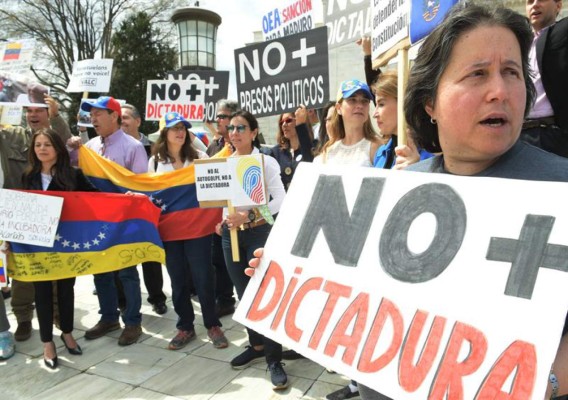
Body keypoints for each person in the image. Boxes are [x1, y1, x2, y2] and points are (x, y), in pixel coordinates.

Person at [67, 96, 147, 346]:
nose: (93, 118)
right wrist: (71, 150)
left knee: (127, 273)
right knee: (100, 272)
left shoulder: (133, 147)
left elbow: (143, 185)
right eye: (91, 114)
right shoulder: (88, 147)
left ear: (114, 116)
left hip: (124, 221)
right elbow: (74, 176)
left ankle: (133, 322)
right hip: (97, 221)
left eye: (98, 114)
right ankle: (109, 317)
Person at [219, 110, 288, 390]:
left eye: (241, 127)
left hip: (259, 232)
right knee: (244, 294)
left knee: (263, 295)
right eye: (231, 128)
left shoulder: (265, 162)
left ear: (254, 132)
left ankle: (275, 359)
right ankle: (256, 345)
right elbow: (222, 201)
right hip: (230, 236)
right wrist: (222, 219)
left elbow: (280, 201)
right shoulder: (223, 162)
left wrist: (249, 216)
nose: (234, 132)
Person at [149, 111, 228, 351]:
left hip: (197, 229)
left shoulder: (201, 157)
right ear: (165, 133)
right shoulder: (154, 163)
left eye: (183, 127)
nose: (180, 132)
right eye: (174, 128)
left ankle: (212, 324)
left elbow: (215, 191)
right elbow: (148, 194)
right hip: (170, 231)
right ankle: (185, 326)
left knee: (204, 278)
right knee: (178, 280)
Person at [21, 128, 97, 368]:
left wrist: (126, 198)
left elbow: (98, 200)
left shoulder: (74, 175)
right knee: (41, 293)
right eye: (38, 145)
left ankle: (66, 332)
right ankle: (47, 342)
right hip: (37, 245)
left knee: (66, 290)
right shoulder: (28, 176)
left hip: (66, 244)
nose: (42, 149)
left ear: (57, 148)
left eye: (47, 144)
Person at [0, 87, 71, 343]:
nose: (32, 114)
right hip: (20, 213)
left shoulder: (55, 132)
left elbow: (64, 145)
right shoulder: (12, 136)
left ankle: (57, 315)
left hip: (51, 213)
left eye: (38, 110)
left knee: (52, 265)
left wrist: (57, 118)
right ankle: (23, 319)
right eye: (28, 110)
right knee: (22, 272)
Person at [121, 103, 168, 316]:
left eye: (125, 118)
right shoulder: (107, 147)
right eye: (118, 118)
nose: (121, 123)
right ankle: (126, 304)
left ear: (138, 121)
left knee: (150, 258)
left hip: (148, 209)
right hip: (122, 210)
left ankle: (157, 298)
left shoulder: (154, 147)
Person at [520, 0, 568, 157]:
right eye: (529, 2)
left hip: (550, 135)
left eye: (541, 0)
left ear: (558, 6)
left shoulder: (562, 33)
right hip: (517, 137)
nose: (534, 5)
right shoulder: (520, 45)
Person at [205, 99, 238, 318]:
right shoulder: (214, 147)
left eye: (223, 116)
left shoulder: (245, 145)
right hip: (219, 216)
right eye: (218, 116)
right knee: (219, 260)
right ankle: (225, 300)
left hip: (246, 216)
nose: (218, 120)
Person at [372, 70, 432, 170]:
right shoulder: (380, 154)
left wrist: (417, 170)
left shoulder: (430, 159)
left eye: (381, 104)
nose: (374, 114)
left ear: (403, 103)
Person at [314, 79, 380, 167]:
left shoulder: (376, 147)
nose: (360, 106)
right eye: (352, 100)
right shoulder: (329, 151)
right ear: (338, 108)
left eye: (364, 101)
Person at [262, 105, 315, 190]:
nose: (284, 125)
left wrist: (301, 126)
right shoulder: (276, 152)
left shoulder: (314, 146)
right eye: (281, 122)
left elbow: (309, 163)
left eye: (288, 120)